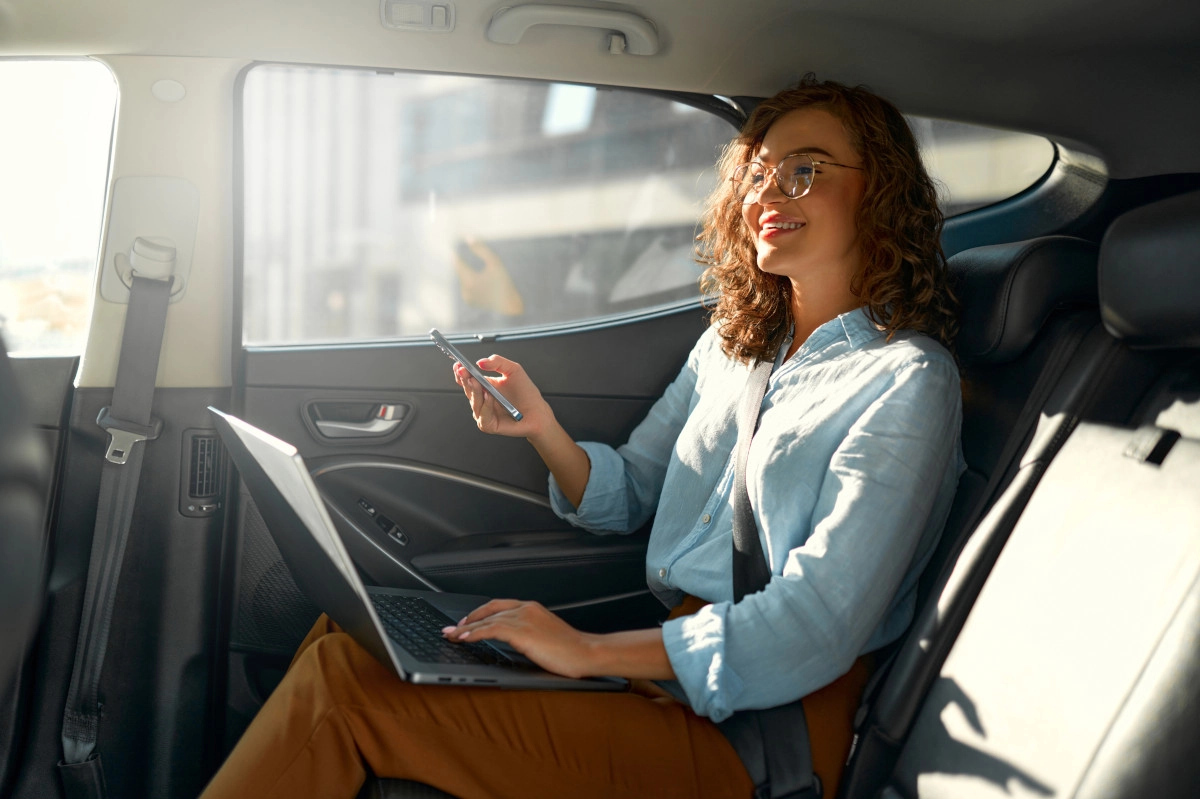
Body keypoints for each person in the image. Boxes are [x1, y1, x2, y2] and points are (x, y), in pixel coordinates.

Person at [199, 76, 964, 799]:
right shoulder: (733, 350)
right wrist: (543, 429)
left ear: (881, 190)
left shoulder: (905, 380)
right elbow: (630, 490)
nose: (769, 191)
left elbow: (814, 626)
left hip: (761, 733)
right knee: (350, 631)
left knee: (343, 687)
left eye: (806, 170)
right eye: (759, 172)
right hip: (663, 674)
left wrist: (587, 649)